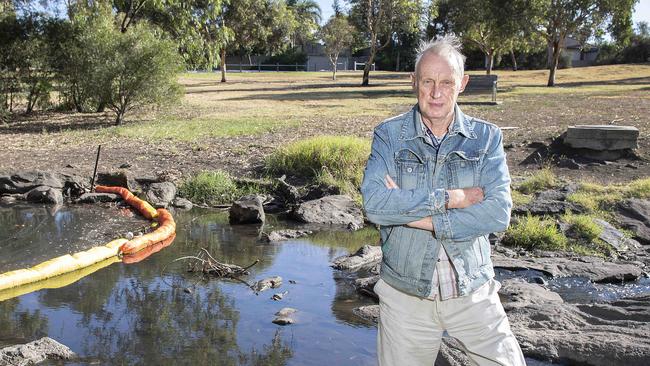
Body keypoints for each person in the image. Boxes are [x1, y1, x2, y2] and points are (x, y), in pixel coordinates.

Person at [360, 35, 526, 366]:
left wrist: (419, 218)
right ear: (414, 82)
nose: (436, 93)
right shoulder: (389, 136)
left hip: (473, 291)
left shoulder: (486, 138)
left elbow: (497, 213)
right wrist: (454, 198)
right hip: (406, 297)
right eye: (428, 82)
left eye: (447, 82)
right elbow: (375, 205)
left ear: (462, 83)